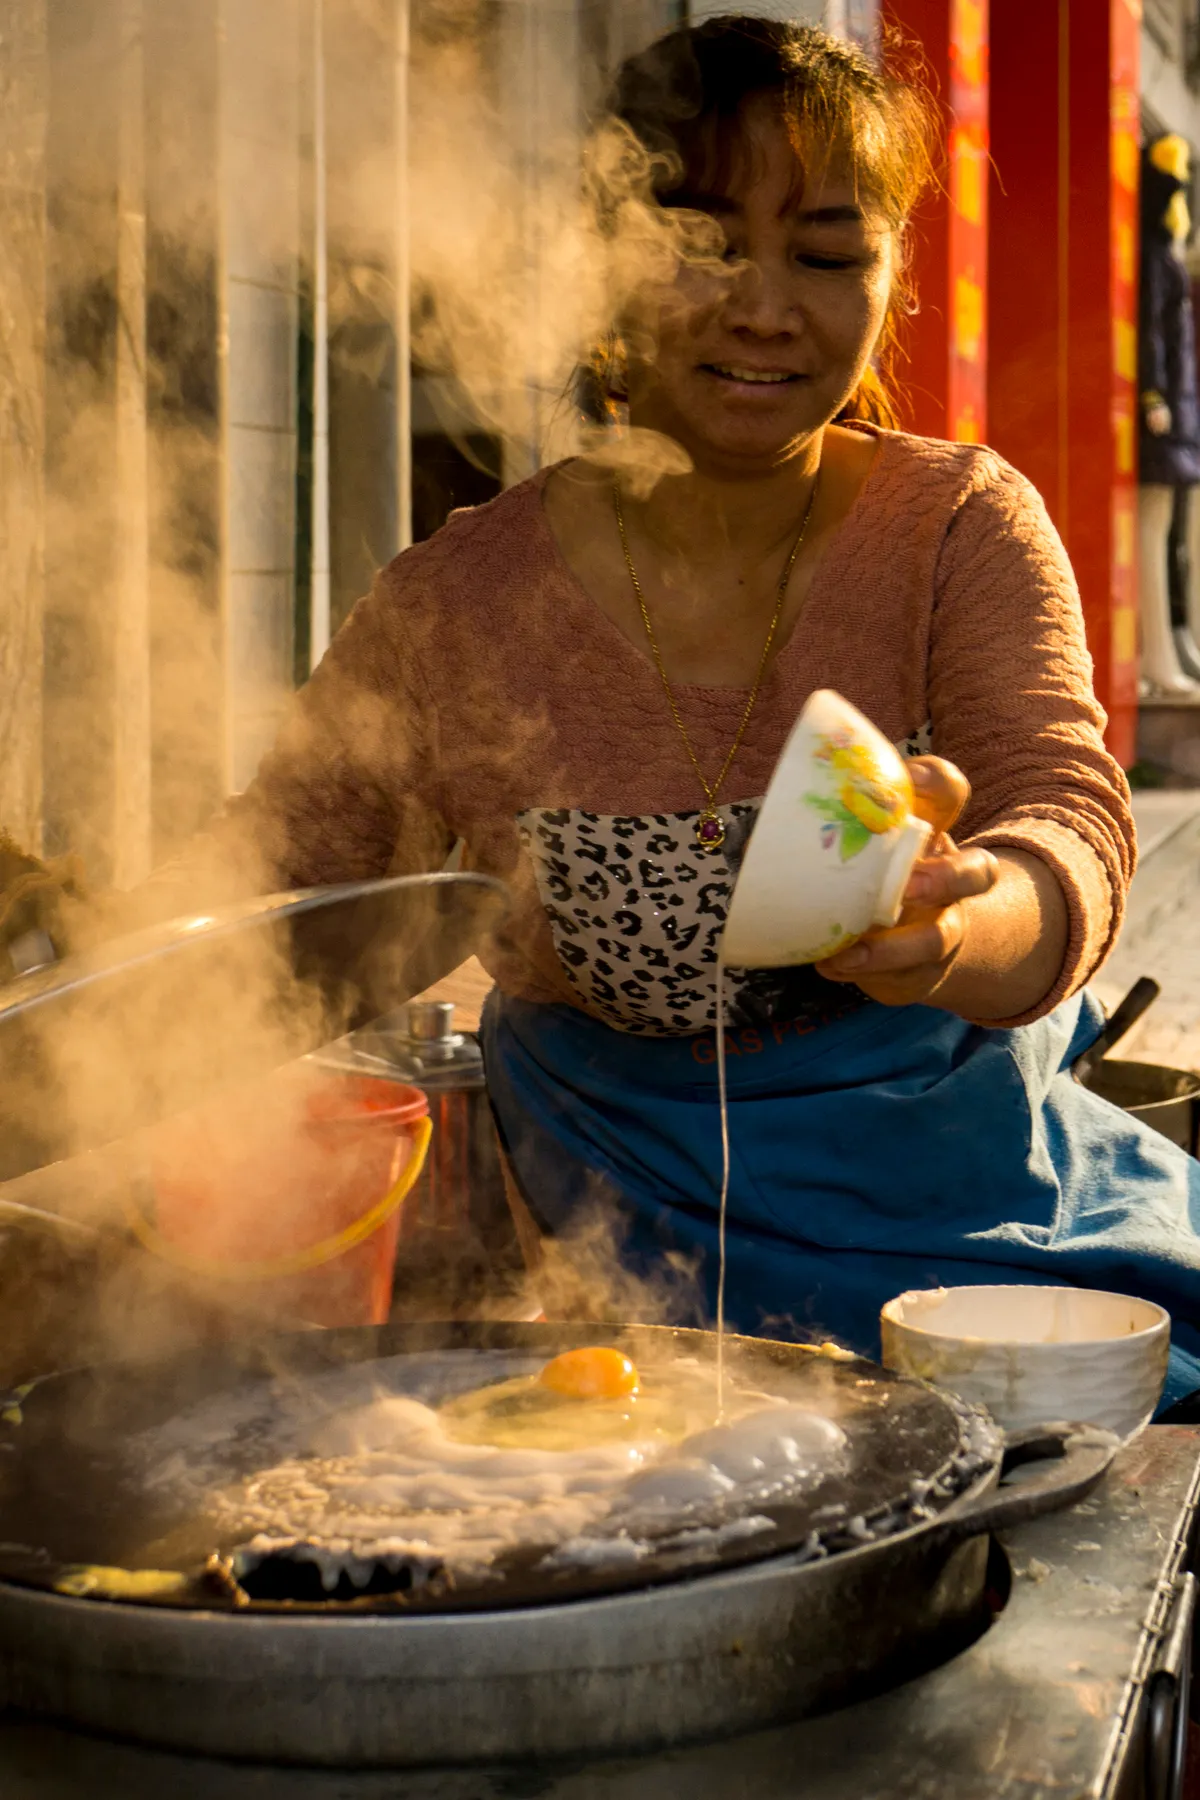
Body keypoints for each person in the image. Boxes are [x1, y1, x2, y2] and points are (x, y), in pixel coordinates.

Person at [120, 18, 1200, 1404]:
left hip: (975, 1216)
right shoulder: (462, 601)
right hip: (607, 1264)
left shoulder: (956, 530)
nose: (764, 307)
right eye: (700, 245)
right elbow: (281, 900)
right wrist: (81, 965)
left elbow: (1066, 816)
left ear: (890, 277)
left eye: (825, 255)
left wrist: (957, 920)